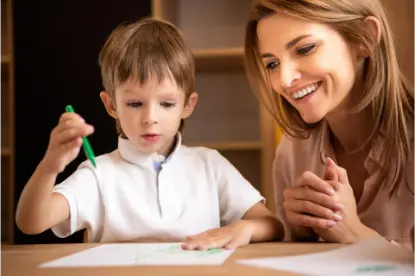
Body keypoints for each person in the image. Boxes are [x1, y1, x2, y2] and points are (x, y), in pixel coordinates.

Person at [15, 17, 284, 249]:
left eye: (166, 104)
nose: (150, 118)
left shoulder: (209, 165)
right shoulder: (99, 173)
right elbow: (31, 223)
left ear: (187, 106)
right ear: (111, 105)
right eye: (135, 104)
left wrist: (244, 230)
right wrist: (51, 165)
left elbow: (271, 225)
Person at [244, 0, 415, 249]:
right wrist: (302, 235)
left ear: (364, 38)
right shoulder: (293, 151)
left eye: (305, 49)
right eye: (272, 64)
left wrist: (356, 234)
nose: (284, 79)